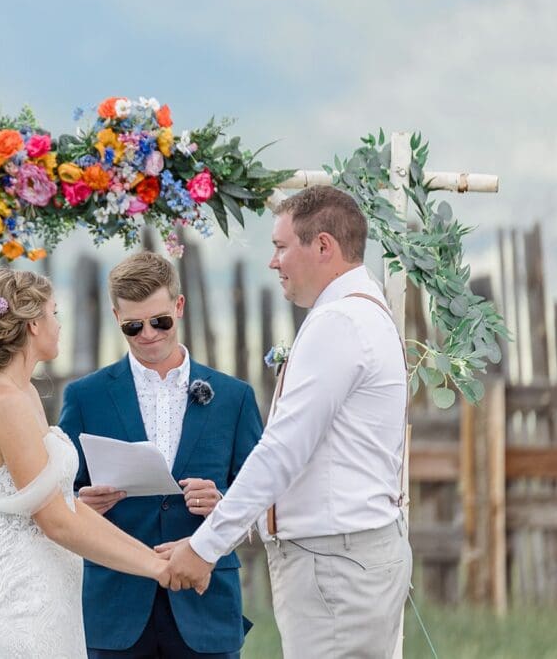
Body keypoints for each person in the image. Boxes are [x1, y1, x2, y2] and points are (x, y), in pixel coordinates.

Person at [161, 185, 413, 659]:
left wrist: (204, 546)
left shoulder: (340, 322)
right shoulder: (363, 311)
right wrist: (238, 511)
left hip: (335, 566)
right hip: (345, 558)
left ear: (323, 246)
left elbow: (282, 451)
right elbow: (328, 460)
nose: (273, 262)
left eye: (280, 247)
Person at [0, 267, 174, 659]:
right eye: (54, 313)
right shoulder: (3, 400)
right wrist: (155, 569)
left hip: (55, 594)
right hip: (28, 601)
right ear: (32, 324)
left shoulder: (24, 391)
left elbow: (65, 504)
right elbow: (56, 521)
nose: (58, 325)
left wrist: (152, 555)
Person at [59, 251, 263, 658]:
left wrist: (222, 503)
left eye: (160, 321)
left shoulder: (234, 397)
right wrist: (82, 503)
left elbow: (261, 494)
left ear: (179, 306)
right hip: (115, 606)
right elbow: (59, 496)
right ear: (116, 317)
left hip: (206, 603)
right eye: (134, 326)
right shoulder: (85, 397)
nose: (149, 334)